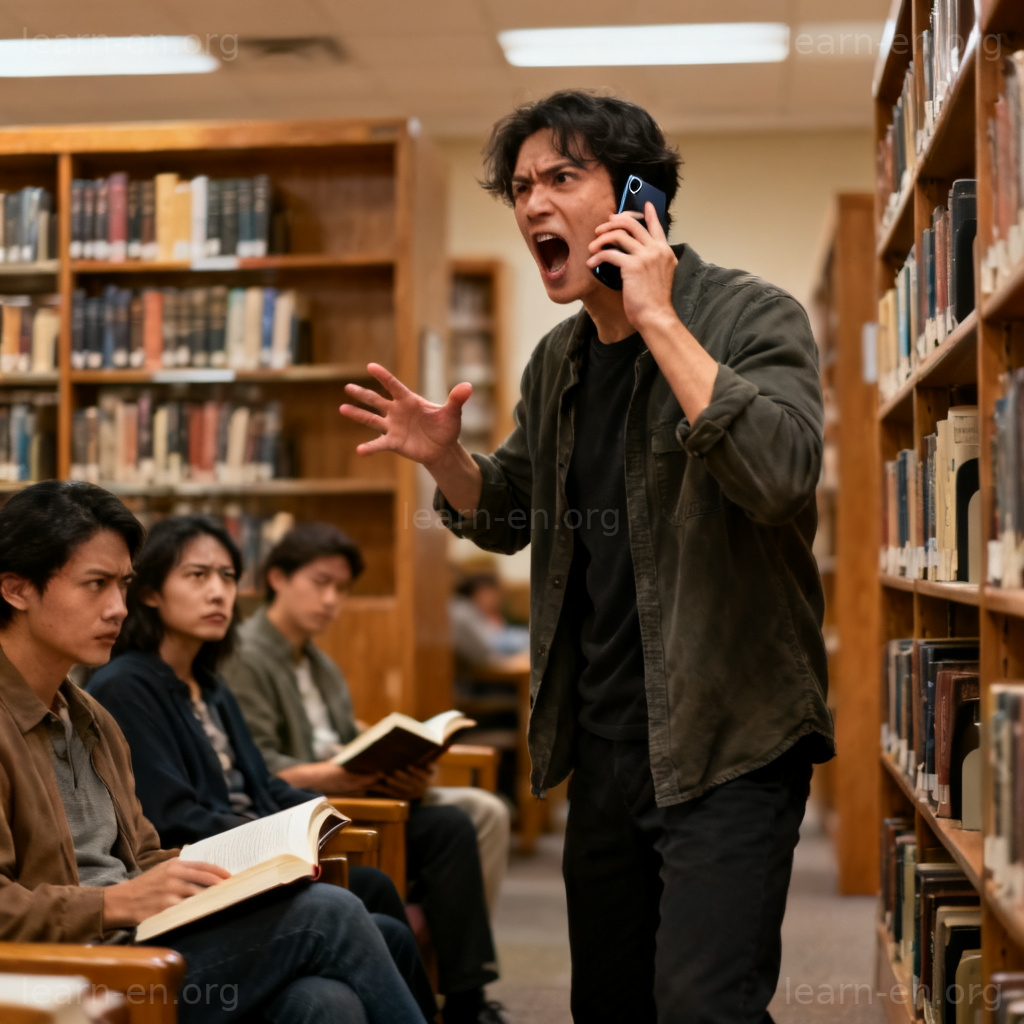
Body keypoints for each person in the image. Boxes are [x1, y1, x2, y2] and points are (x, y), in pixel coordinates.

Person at [338, 89, 836, 1024]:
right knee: (610, 1004)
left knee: (702, 1005)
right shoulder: (557, 363)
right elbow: (509, 515)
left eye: (562, 178)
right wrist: (446, 458)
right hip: (605, 744)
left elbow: (778, 477)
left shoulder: (749, 317)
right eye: (521, 187)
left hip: (730, 736)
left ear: (638, 196)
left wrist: (657, 317)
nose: (533, 205)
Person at [0, 480, 426, 1024]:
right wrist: (113, 904)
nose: (117, 608)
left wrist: (241, 871)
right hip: (69, 969)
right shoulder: (87, 701)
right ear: (16, 589)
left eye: (123, 585)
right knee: (330, 914)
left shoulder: (89, 717)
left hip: (139, 938)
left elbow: (143, 857)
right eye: (95, 585)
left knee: (325, 1001)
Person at [222, 521, 508, 1024]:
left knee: (477, 813)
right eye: (320, 582)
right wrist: (340, 773)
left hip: (353, 792)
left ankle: (463, 986)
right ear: (277, 578)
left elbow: (347, 733)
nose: (331, 599)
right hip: (314, 807)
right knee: (456, 824)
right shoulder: (246, 657)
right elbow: (260, 764)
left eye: (342, 588)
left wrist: (405, 766)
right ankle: (465, 995)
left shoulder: (318, 661)